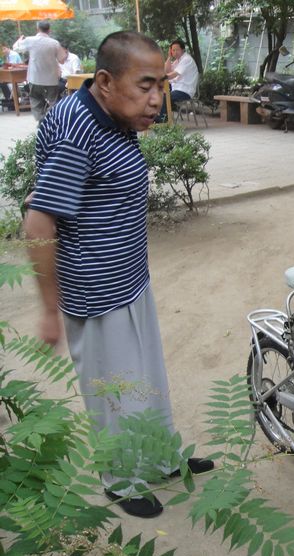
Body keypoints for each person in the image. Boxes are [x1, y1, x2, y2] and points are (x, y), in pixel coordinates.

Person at [23, 31, 213, 519]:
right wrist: (49, 308)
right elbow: (38, 220)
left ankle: (162, 458)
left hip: (127, 276)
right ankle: (121, 480)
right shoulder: (75, 132)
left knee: (147, 379)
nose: (157, 99)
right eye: (146, 85)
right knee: (116, 392)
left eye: (162, 85)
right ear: (104, 82)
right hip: (95, 290)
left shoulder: (111, 113)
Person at [12, 20, 65, 121]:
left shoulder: (30, 40)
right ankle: (51, 121)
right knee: (53, 101)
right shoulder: (54, 43)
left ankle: (40, 120)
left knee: (36, 100)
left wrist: (19, 40)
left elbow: (16, 48)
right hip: (51, 79)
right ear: (49, 30)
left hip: (35, 78)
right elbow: (62, 60)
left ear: (37, 29)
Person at [163, 38, 198, 107]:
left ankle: (163, 117)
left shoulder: (186, 59)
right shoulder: (178, 60)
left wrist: (161, 77)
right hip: (176, 88)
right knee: (158, 94)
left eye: (177, 50)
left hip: (185, 91)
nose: (175, 52)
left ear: (183, 50)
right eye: (173, 50)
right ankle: (163, 116)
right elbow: (166, 70)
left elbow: (173, 74)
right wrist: (169, 57)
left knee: (164, 98)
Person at [1, 43, 24, 107]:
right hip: (14, 74)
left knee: (2, 82)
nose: (3, 51)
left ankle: (12, 101)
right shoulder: (8, 56)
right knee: (2, 82)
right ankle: (10, 100)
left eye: (4, 49)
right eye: (2, 50)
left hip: (19, 75)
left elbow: (11, 67)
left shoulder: (12, 54)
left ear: (8, 48)